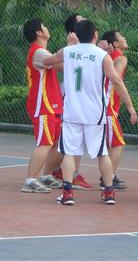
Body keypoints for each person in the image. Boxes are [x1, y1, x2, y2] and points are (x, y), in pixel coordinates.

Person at [44, 19, 138, 206]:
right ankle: (109, 193)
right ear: (95, 35)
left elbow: (47, 61)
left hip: (72, 112)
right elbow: (117, 81)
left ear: (76, 35)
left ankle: (67, 193)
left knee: (69, 152)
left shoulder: (67, 51)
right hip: (95, 113)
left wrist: (69, 46)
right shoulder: (102, 56)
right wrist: (130, 107)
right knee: (102, 153)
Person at [50, 13, 94, 191]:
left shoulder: (88, 48)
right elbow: (52, 63)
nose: (85, 20)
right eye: (81, 20)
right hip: (70, 97)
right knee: (69, 138)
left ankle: (64, 171)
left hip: (83, 98)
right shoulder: (70, 49)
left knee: (76, 138)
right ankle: (64, 173)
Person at [21, 18, 64, 193]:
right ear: (39, 33)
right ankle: (30, 180)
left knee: (58, 141)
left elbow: (61, 65)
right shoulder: (38, 52)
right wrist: (74, 46)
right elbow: (58, 59)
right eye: (44, 26)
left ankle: (46, 175)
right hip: (43, 104)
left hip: (52, 104)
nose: (47, 28)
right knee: (45, 142)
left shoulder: (43, 52)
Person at [100, 30, 129, 191]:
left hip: (101, 106)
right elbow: (115, 79)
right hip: (108, 108)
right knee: (118, 144)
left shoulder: (103, 57)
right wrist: (130, 106)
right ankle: (108, 178)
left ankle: (107, 175)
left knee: (108, 145)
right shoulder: (120, 58)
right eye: (121, 36)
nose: (125, 38)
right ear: (116, 43)